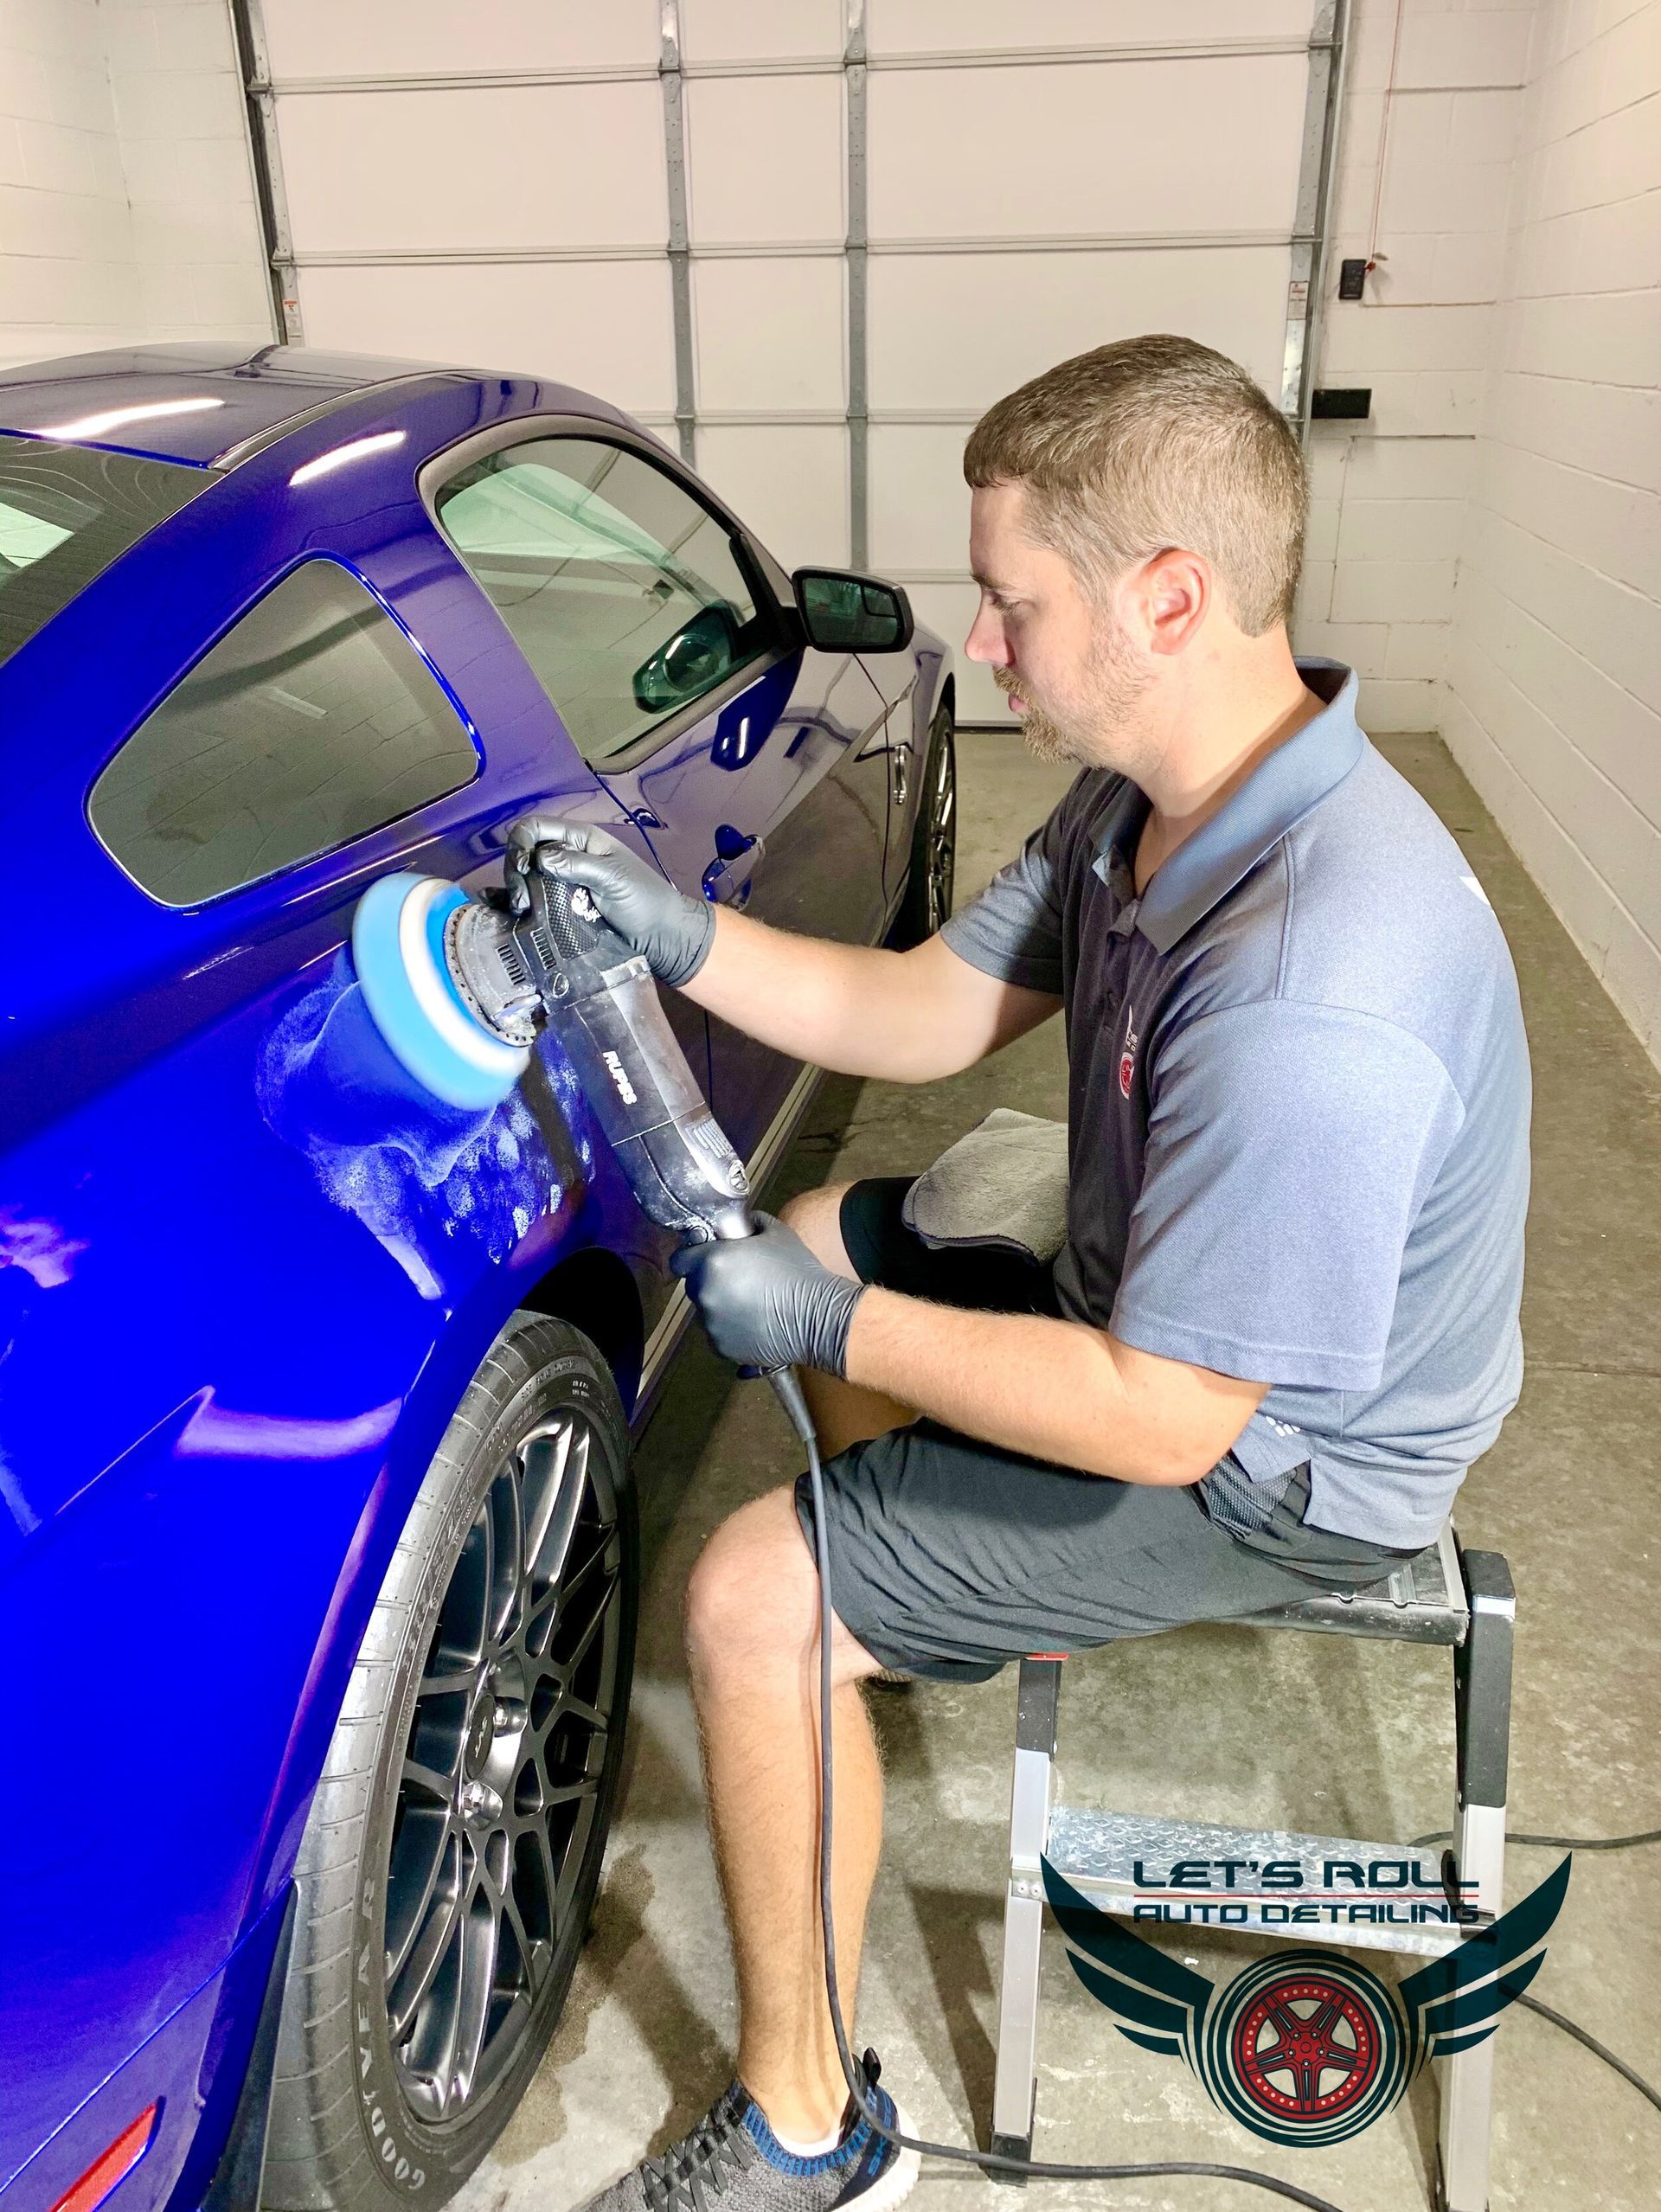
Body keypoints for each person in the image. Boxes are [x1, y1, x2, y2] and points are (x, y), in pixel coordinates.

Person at [510, 334, 1530, 2212]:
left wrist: (840, 1331)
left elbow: (1166, 1420)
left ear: (1169, 595)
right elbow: (923, 1010)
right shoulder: (1164, 795)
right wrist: (680, 936)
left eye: (1013, 600)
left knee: (746, 1598)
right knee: (822, 1228)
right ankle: (897, 1616)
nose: (982, 641)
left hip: (1285, 1463)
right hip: (1154, 1305)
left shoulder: (1321, 982)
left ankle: (817, 2134)